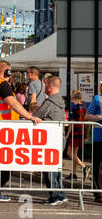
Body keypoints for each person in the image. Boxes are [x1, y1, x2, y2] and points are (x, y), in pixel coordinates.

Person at [0, 60, 41, 202]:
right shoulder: (2, 84)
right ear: (6, 72)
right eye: (10, 71)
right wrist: (29, 116)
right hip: (0, 127)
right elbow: (13, 103)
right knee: (4, 163)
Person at [33, 76, 68, 205]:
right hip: (60, 137)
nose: (44, 87)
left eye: (46, 84)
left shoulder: (49, 102)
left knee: (49, 168)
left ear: (50, 87)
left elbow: (36, 116)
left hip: (50, 139)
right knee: (57, 168)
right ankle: (60, 193)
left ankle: (55, 195)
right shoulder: (60, 101)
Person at [65, 90, 91, 180]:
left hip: (75, 131)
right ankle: (74, 174)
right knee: (74, 154)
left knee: (69, 153)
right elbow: (87, 122)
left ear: (74, 98)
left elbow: (72, 123)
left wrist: (67, 135)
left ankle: (84, 167)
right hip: (83, 131)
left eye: (72, 99)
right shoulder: (85, 108)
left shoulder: (75, 108)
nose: (72, 101)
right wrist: (87, 134)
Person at [85, 81, 102, 203]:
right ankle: (98, 193)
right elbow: (88, 116)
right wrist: (101, 118)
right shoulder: (97, 99)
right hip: (99, 137)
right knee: (97, 166)